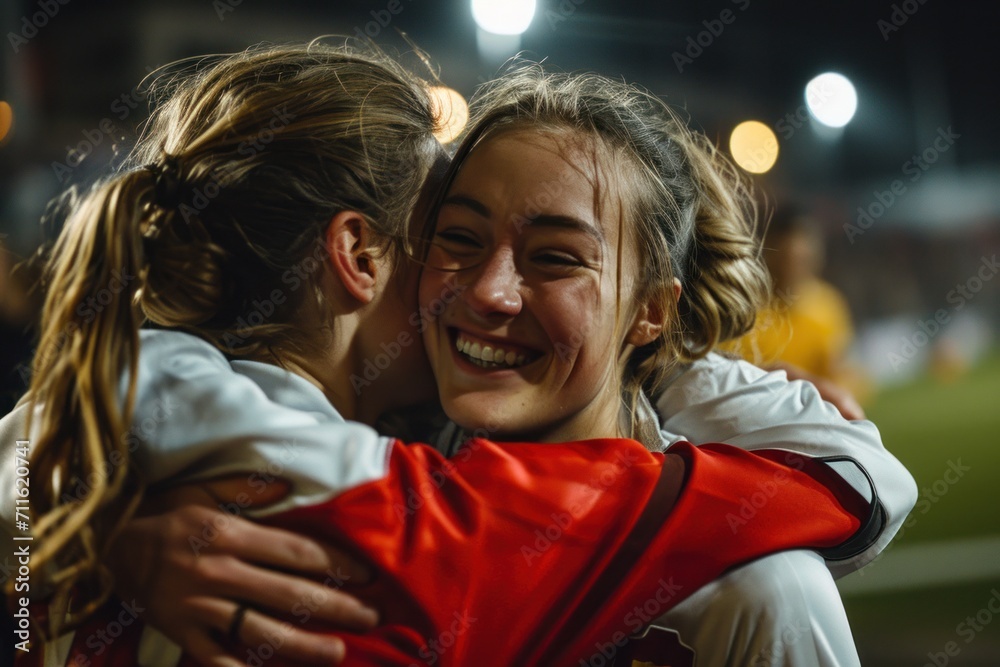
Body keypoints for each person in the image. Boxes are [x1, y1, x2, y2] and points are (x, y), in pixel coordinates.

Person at [0, 45, 897, 666]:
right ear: (357, 258)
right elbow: (851, 476)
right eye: (452, 239)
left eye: (554, 257)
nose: (483, 292)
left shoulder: (76, 423)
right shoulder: (393, 498)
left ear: (650, 310)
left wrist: (60, 542)